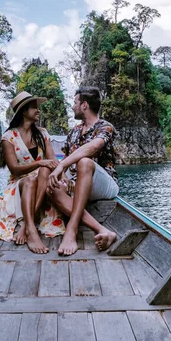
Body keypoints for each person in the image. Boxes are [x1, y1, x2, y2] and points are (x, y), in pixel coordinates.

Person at [0, 91, 65, 254]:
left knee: (45, 170)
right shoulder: (8, 137)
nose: (38, 111)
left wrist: (64, 177)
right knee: (32, 179)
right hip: (19, 183)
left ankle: (26, 225)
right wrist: (39, 162)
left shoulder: (43, 133)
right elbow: (14, 169)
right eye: (34, 108)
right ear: (24, 111)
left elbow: (53, 162)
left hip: (41, 181)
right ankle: (31, 228)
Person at [47, 86, 118, 256]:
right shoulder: (74, 131)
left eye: (75, 102)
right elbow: (65, 157)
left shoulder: (105, 127)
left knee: (85, 162)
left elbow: (92, 147)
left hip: (104, 184)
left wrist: (61, 167)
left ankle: (71, 230)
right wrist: (63, 176)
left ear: (84, 105)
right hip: (78, 182)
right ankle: (102, 229)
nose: (72, 106)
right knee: (52, 187)